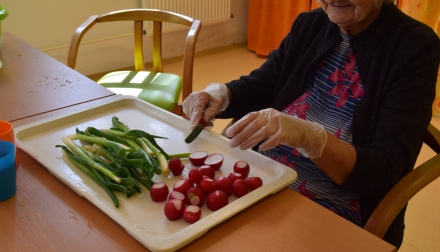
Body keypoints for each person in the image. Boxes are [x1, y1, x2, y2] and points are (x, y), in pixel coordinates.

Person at [183, 0, 440, 248]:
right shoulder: (311, 23)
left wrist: (310, 137)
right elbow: (264, 83)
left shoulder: (414, 47)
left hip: (334, 200)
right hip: (264, 174)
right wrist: (222, 95)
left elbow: (383, 172)